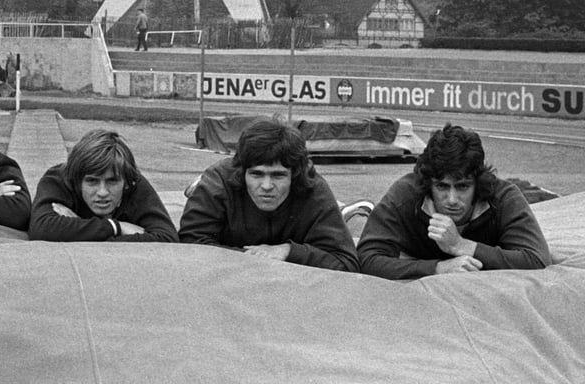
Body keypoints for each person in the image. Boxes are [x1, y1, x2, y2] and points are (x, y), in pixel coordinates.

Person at [357, 124, 551, 280]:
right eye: (442, 186)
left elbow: (537, 259)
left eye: (462, 187)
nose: (452, 200)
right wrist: (436, 268)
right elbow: (366, 259)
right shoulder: (406, 195)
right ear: (428, 184)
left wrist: (461, 245)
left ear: (478, 183)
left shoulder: (503, 197)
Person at [178, 116, 359, 272]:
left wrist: (289, 251)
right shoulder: (219, 181)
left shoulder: (313, 189)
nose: (266, 186)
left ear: (295, 175)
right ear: (241, 171)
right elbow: (188, 245)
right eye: (256, 174)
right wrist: (254, 257)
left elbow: (346, 263)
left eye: (278, 175)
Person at [29, 129, 177, 242]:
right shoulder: (59, 180)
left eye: (112, 181)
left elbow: (167, 239)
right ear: (76, 181)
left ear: (126, 183)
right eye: (92, 181)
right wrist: (117, 227)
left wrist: (80, 228)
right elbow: (41, 228)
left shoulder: (134, 183)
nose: (102, 192)